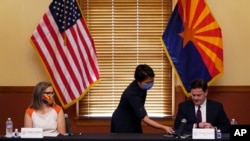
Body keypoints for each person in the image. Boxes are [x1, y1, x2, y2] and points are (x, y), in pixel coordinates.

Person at [110, 64, 174, 134]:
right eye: (147, 82)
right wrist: (163, 127)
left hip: (134, 119)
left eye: (152, 81)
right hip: (123, 122)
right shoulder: (133, 95)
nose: (150, 84)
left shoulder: (141, 86)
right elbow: (145, 119)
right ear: (138, 81)